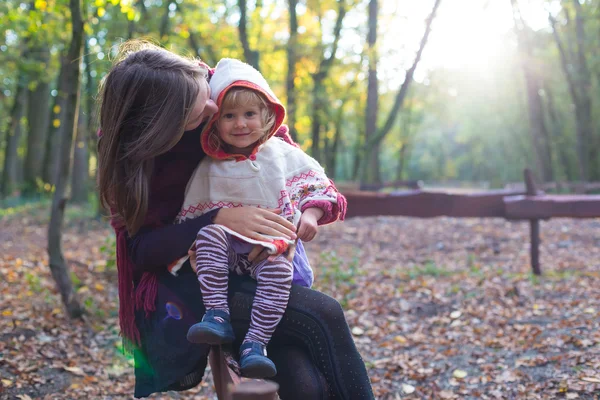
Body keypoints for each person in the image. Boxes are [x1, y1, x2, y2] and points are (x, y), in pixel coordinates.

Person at [97, 39, 374, 399]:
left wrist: (283, 230)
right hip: (198, 276)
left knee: (305, 383)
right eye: (200, 110)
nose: (216, 105)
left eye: (207, 90)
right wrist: (217, 219)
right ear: (164, 127)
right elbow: (140, 250)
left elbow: (276, 152)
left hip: (260, 264)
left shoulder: (216, 86)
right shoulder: (137, 161)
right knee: (324, 315)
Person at [172, 58, 344, 379]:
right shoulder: (212, 166)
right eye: (230, 116)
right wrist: (202, 236)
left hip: (270, 252)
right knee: (209, 233)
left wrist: (309, 214)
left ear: (267, 117)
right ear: (216, 121)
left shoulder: (282, 155)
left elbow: (318, 189)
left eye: (249, 114)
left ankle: (256, 343)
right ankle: (217, 315)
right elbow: (193, 216)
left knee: (278, 265)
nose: (240, 124)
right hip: (227, 259)